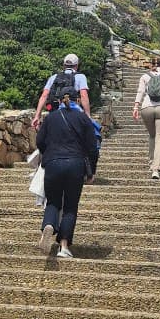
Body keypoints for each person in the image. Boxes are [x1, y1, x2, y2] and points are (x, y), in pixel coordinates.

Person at [36, 87, 100, 259]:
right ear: (77, 100)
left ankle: (49, 225)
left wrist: (49, 154)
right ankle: (63, 246)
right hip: (75, 165)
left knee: (53, 202)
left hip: (53, 164)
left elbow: (39, 141)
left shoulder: (51, 118)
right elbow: (93, 148)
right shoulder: (83, 118)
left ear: (58, 100)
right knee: (70, 207)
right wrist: (91, 171)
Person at [133, 51, 160, 179]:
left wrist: (136, 107)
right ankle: (156, 169)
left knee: (152, 135)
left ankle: (152, 163)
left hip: (147, 108)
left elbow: (140, 92)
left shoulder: (145, 76)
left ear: (151, 64)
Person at [33, 54, 91, 126]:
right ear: (77, 65)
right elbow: (84, 96)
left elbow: (44, 96)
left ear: (64, 65)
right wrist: (88, 115)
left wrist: (37, 116)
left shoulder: (54, 77)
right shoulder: (80, 77)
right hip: (74, 114)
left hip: (54, 113)